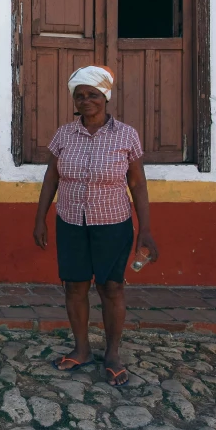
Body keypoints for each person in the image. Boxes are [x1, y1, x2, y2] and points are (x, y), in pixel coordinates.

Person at [33, 65, 159, 386]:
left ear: (106, 96)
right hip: (71, 222)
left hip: (113, 223)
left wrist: (145, 229)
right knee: (74, 286)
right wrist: (40, 218)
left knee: (111, 288)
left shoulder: (126, 135)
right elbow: (51, 178)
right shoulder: (63, 134)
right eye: (80, 96)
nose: (86, 100)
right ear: (74, 101)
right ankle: (82, 350)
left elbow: (138, 185)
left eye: (93, 94)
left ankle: (113, 353)